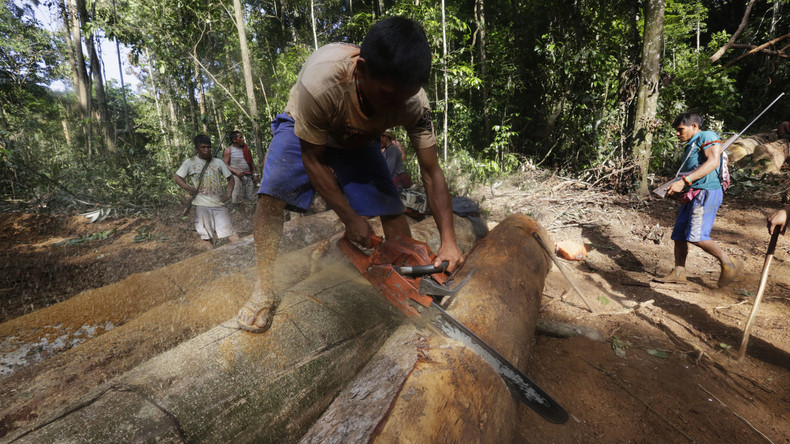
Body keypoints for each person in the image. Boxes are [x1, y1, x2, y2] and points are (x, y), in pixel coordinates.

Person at [237, 17, 464, 333]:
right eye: (387, 96)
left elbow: (431, 171)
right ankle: (263, 288)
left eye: (403, 98)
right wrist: (350, 218)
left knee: (390, 204)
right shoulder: (321, 82)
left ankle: (407, 278)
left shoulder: (413, 102)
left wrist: (450, 241)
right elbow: (313, 161)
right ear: (362, 69)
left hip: (358, 135)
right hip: (305, 128)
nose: (395, 106)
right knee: (272, 194)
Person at [654, 112, 740, 287]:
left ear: (694, 126)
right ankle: (679, 272)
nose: (678, 134)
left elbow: (714, 162)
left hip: (705, 192)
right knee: (679, 234)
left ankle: (729, 263)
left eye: (680, 129)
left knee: (696, 236)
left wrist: (685, 181)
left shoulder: (706, 136)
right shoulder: (692, 144)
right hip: (692, 193)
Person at [174, 135, 237, 247]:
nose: (207, 150)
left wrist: (228, 194)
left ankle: (243, 256)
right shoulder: (189, 162)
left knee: (231, 234)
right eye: (203, 147)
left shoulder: (218, 162)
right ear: (197, 148)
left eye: (208, 147)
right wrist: (188, 188)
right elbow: (177, 177)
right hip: (201, 205)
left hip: (218, 204)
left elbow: (231, 179)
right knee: (206, 238)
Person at [222, 131, 258, 212]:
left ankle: (250, 213)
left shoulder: (246, 148)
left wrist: (255, 174)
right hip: (236, 176)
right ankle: (240, 215)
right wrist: (236, 171)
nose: (242, 139)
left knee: (251, 197)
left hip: (248, 175)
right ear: (234, 140)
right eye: (240, 137)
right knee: (237, 198)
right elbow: (225, 164)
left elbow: (251, 162)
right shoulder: (229, 150)